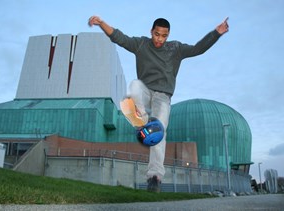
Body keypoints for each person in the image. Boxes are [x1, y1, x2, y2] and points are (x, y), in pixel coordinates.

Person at [88, 16, 229, 192]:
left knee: (159, 131)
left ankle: (154, 176)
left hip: (163, 96)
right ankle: (140, 117)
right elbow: (119, 37)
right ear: (151, 32)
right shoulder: (141, 45)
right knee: (136, 87)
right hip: (144, 92)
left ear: (168, 35)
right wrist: (101, 23)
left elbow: (197, 49)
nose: (159, 39)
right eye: (156, 34)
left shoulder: (175, 48)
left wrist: (216, 33)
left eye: (164, 36)